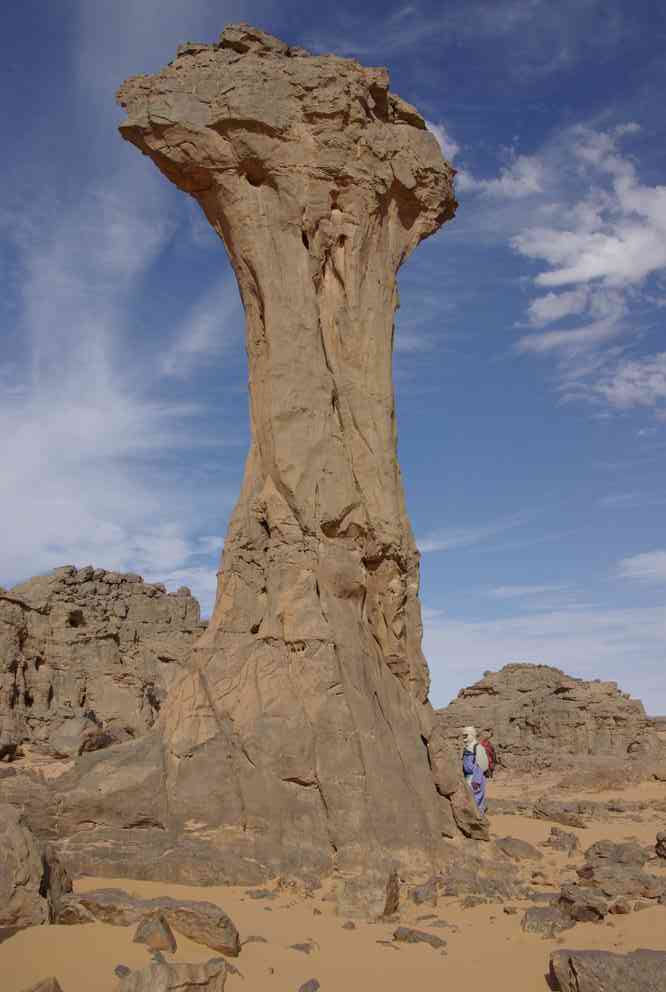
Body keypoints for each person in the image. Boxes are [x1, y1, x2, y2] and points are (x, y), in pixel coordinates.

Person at [462, 725, 487, 815]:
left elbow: (480, 766)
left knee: (477, 799)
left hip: (476, 778)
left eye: (466, 736)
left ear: (472, 735)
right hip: (468, 777)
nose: (464, 738)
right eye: (463, 736)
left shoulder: (478, 748)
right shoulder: (467, 748)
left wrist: (476, 781)